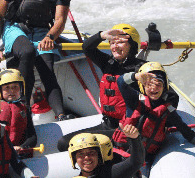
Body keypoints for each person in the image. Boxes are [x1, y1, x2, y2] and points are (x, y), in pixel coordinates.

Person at [112, 61, 195, 175]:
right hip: (122, 151)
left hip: (144, 158)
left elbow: (186, 131)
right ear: (142, 86)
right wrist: (136, 76)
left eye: (158, 84)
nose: (154, 88)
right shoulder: (134, 100)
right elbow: (121, 82)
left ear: (164, 87)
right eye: (149, 84)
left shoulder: (167, 110)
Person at [56, 23, 148, 151]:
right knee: (63, 142)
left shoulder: (143, 68)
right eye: (112, 43)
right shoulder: (108, 63)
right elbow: (87, 48)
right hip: (107, 124)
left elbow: (167, 96)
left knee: (68, 144)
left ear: (132, 45)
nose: (115, 46)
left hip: (127, 129)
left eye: (120, 42)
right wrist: (101, 35)